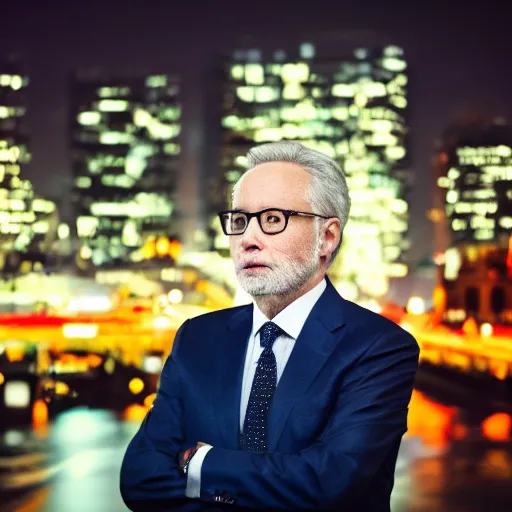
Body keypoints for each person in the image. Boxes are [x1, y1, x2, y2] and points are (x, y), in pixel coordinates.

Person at [120, 141, 419, 511]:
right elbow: (139, 478)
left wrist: (201, 464)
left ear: (326, 237)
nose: (247, 239)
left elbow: (329, 484)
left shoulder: (379, 347)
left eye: (273, 219)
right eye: (240, 220)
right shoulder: (197, 338)